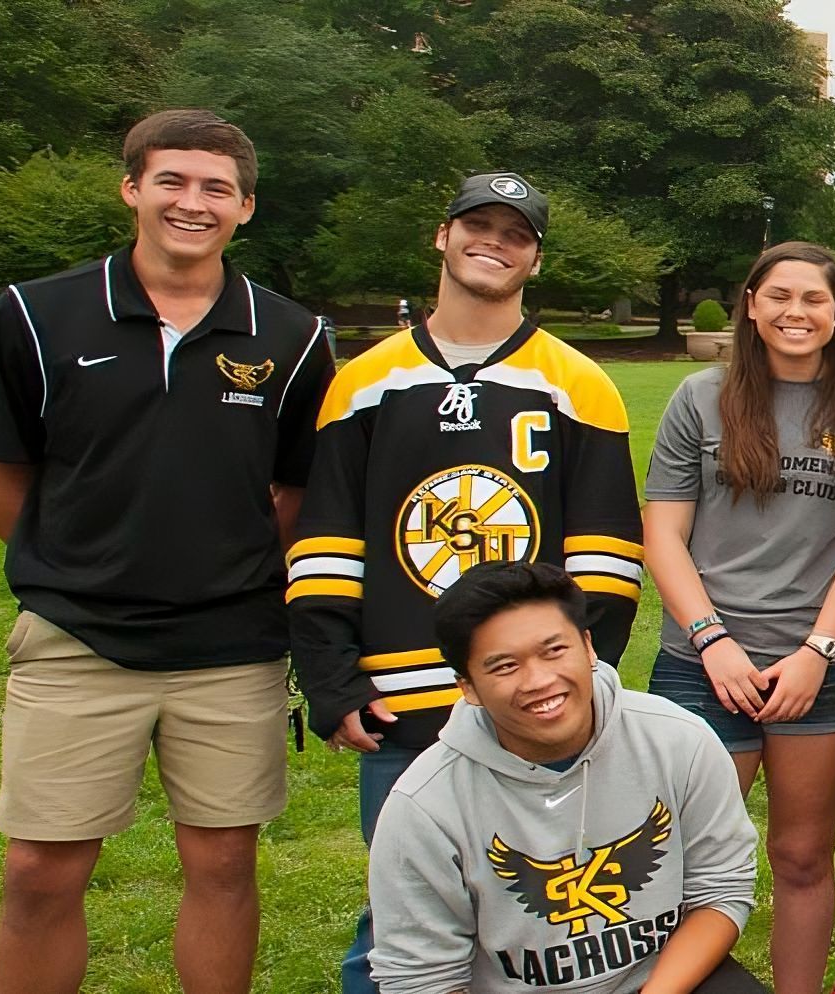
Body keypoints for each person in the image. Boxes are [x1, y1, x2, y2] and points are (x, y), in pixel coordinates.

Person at [0, 109, 335, 994]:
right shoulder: (34, 314)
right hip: (76, 637)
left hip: (232, 647)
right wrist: (92, 564)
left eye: (216, 188)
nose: (192, 202)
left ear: (246, 207)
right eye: (171, 180)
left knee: (221, 866)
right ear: (132, 187)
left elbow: (293, 494)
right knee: (38, 871)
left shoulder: (292, 336)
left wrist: (217, 569)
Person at [291, 170, 645, 994]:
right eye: (477, 225)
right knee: (402, 918)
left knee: (536, 914)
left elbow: (605, 557)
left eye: (515, 233)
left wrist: (573, 679)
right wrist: (332, 679)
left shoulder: (579, 383)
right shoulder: (365, 381)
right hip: (404, 704)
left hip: (536, 706)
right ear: (442, 237)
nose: (494, 242)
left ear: (536, 258)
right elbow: (328, 543)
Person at [642, 242, 835, 994]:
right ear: (752, 306)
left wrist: (817, 652)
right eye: (780, 296)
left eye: (814, 300)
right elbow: (661, 534)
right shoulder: (699, 397)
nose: (797, 312)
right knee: (679, 861)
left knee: (800, 856)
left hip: (817, 672)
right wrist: (713, 642)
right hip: (702, 666)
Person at [366, 561, 769, 994]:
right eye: (504, 666)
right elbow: (420, 978)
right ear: (468, 687)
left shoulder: (679, 742)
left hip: (658, 981)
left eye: (554, 650)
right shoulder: (424, 806)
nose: (539, 680)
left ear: (589, 647)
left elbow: (720, 891)